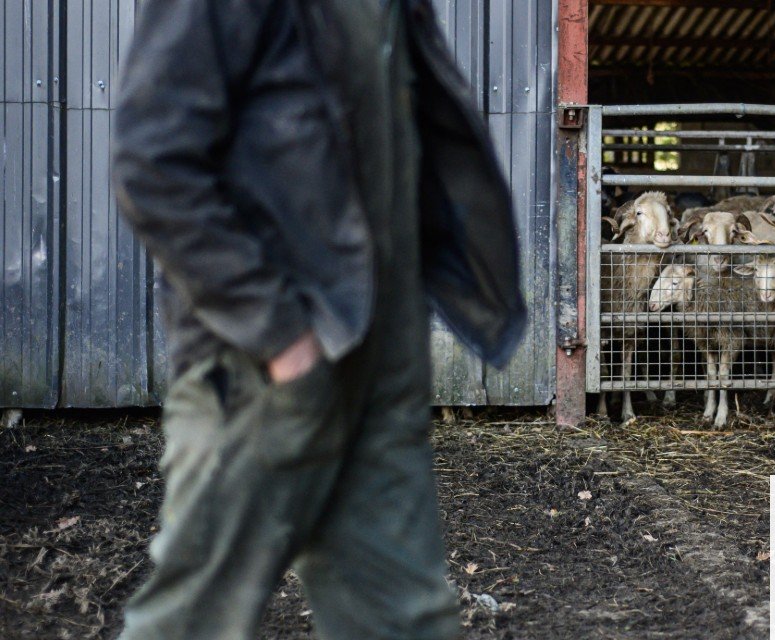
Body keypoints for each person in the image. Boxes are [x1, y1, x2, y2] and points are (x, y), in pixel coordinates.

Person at [110, 0, 526, 638]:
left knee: (407, 623)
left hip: (385, 373)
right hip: (265, 371)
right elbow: (152, 161)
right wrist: (280, 336)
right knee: (195, 620)